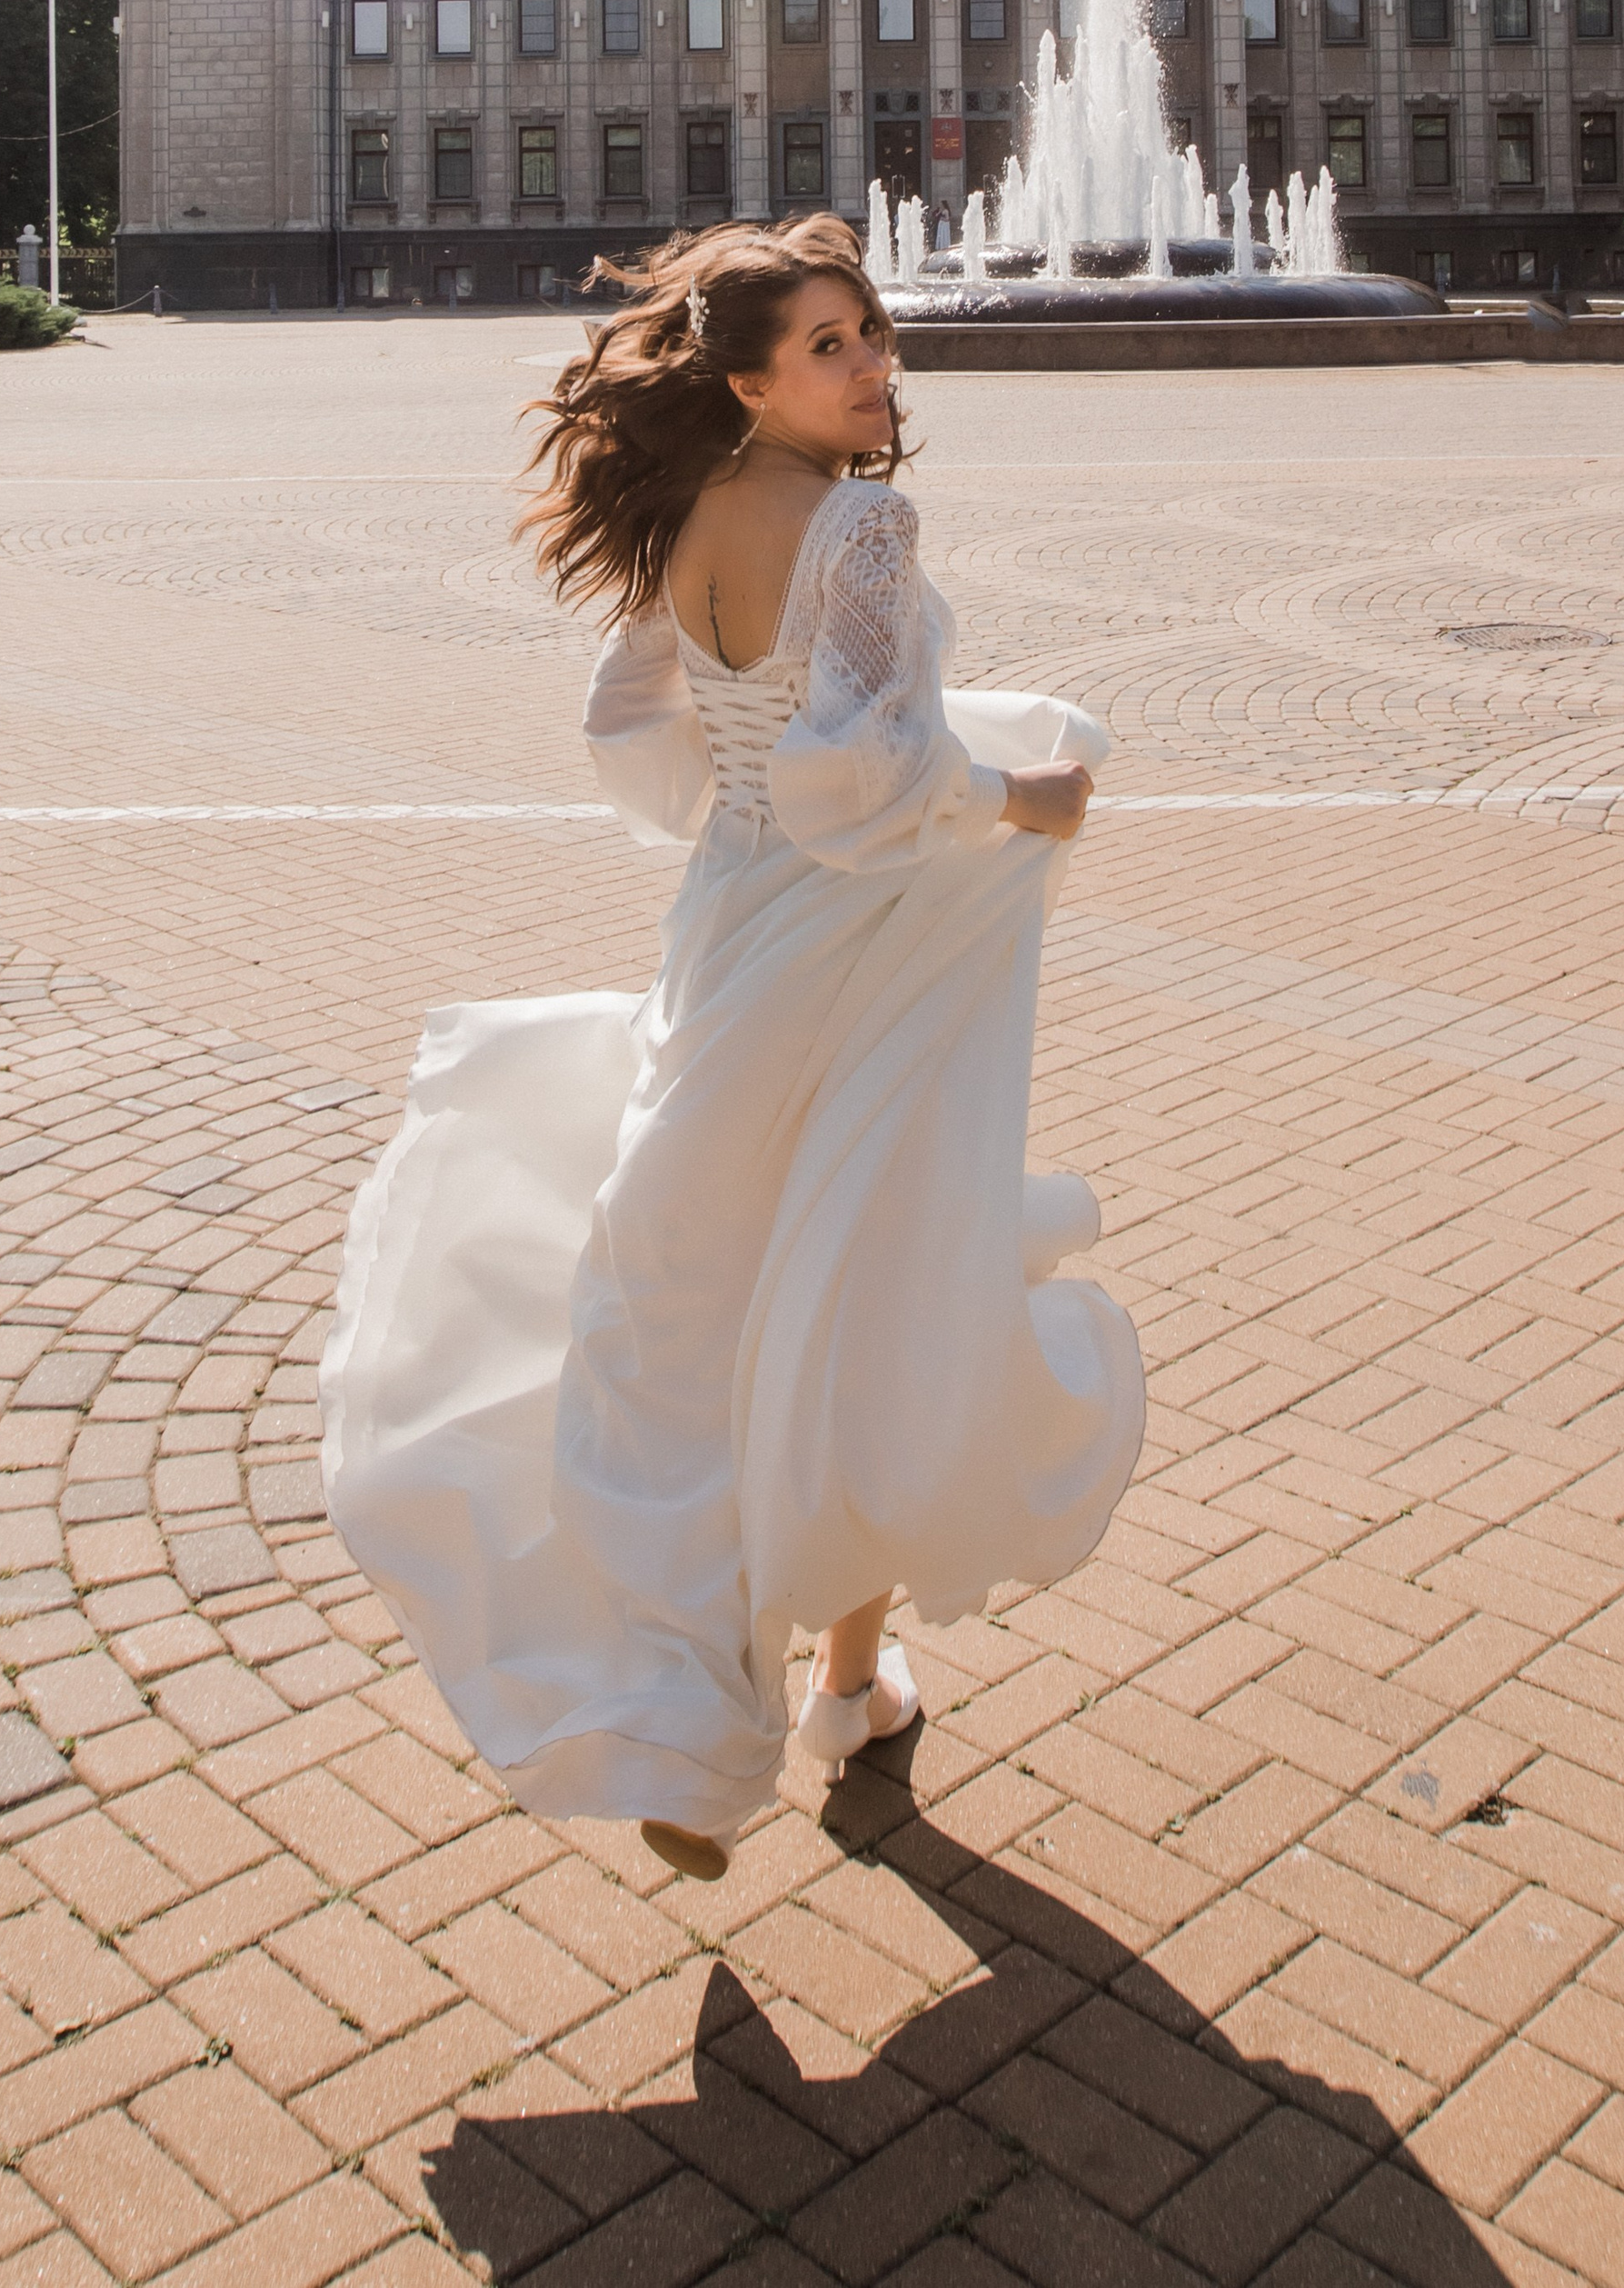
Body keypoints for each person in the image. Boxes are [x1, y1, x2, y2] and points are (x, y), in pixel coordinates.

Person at [321, 215, 1143, 1881]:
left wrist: (763, 800)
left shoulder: (692, 515)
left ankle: (802, 1698)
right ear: (749, 377)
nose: (871, 367)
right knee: (865, 1275)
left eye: (872, 334)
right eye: (829, 345)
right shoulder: (861, 524)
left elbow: (651, 729)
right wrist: (1023, 795)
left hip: (732, 929)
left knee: (738, 1289)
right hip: (854, 945)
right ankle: (788, 1702)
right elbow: (877, 787)